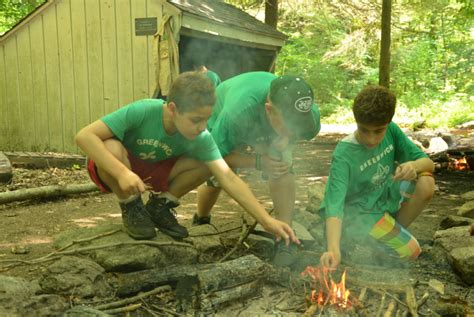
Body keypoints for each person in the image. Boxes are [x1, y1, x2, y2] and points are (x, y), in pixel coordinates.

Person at [75, 71, 298, 246]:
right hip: (117, 168)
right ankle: (130, 206)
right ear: (173, 109)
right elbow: (84, 136)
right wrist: (122, 173)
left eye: (206, 119)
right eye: (195, 120)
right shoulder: (142, 111)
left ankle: (160, 206)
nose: (202, 127)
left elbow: (228, 177)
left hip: (154, 170)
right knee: (110, 146)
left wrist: (266, 221)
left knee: (209, 162)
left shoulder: (202, 136)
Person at [195, 72, 321, 267]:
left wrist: (287, 139)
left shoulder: (308, 115)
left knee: (281, 166)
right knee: (216, 179)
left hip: (261, 121)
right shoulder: (236, 112)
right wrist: (258, 161)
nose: (293, 130)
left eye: (296, 126)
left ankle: (285, 237)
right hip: (223, 121)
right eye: (288, 126)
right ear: (269, 110)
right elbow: (214, 158)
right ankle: (201, 219)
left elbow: (298, 131)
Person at [319, 85, 435, 269]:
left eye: (378, 131)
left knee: (426, 181)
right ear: (356, 122)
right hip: (358, 213)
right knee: (411, 251)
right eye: (364, 130)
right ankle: (380, 239)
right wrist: (333, 249)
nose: (371, 139)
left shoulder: (392, 131)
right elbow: (334, 205)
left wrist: (413, 165)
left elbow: (429, 164)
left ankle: (389, 233)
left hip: (382, 195)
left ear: (388, 124)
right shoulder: (344, 154)